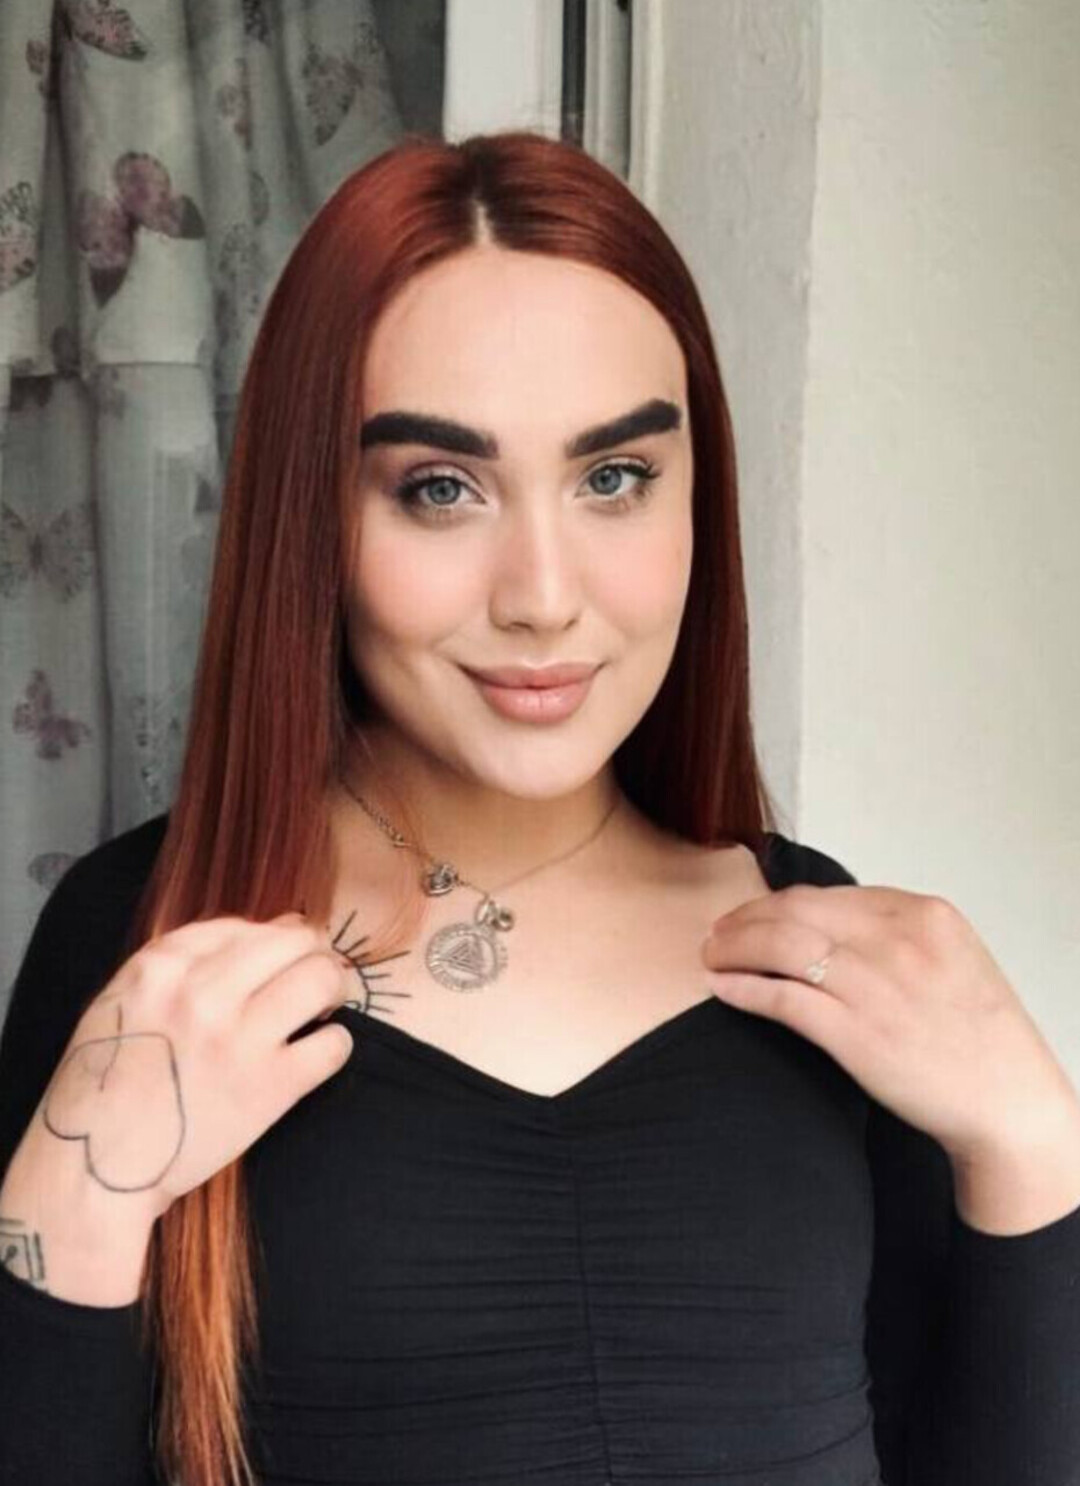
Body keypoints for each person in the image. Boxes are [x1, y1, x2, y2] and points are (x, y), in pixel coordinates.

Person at [0, 129, 1078, 1486]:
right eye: (440, 489)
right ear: (313, 520)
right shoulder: (146, 942)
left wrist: (1033, 1149)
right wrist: (69, 1212)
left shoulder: (829, 955)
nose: (544, 597)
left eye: (614, 478)